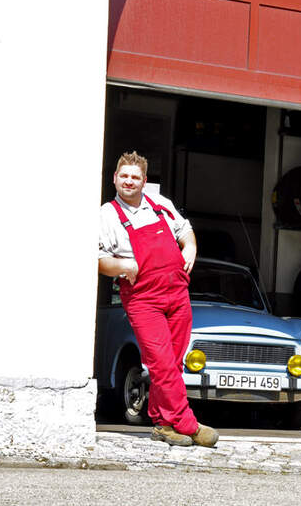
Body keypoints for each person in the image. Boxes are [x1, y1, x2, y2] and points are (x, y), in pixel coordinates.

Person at [98, 151, 218, 448]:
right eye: (123, 176)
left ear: (144, 181)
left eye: (135, 177)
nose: (129, 181)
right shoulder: (108, 214)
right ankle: (188, 423)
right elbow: (99, 259)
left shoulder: (160, 205)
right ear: (115, 178)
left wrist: (190, 248)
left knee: (173, 363)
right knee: (161, 363)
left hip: (177, 294)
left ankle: (163, 424)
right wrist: (124, 266)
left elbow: (185, 230)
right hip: (143, 299)